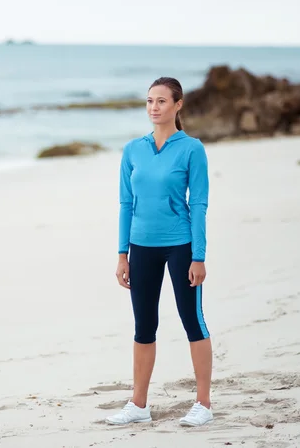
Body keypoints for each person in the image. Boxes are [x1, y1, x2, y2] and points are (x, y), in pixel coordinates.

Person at [105, 77, 213, 427]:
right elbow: (125, 202)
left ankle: (204, 404)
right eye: (150, 101)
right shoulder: (133, 150)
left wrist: (199, 255)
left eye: (162, 101)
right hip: (141, 247)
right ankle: (138, 405)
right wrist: (122, 254)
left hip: (180, 246)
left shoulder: (191, 148)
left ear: (178, 105)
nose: (154, 107)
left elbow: (198, 203)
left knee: (192, 321)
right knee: (143, 326)